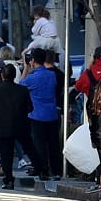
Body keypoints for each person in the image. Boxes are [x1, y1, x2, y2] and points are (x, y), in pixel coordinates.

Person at [21, 49, 64, 191]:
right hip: (52, 113)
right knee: (53, 144)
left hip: (37, 114)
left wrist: (26, 67)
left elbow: (21, 85)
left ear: (33, 60)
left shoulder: (32, 78)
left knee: (40, 145)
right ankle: (57, 171)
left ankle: (43, 171)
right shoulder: (52, 75)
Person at [0, 64, 30, 190]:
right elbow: (30, 107)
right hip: (20, 125)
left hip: (3, 126)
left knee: (6, 155)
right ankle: (42, 170)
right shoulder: (22, 90)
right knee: (29, 148)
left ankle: (8, 179)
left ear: (2, 75)